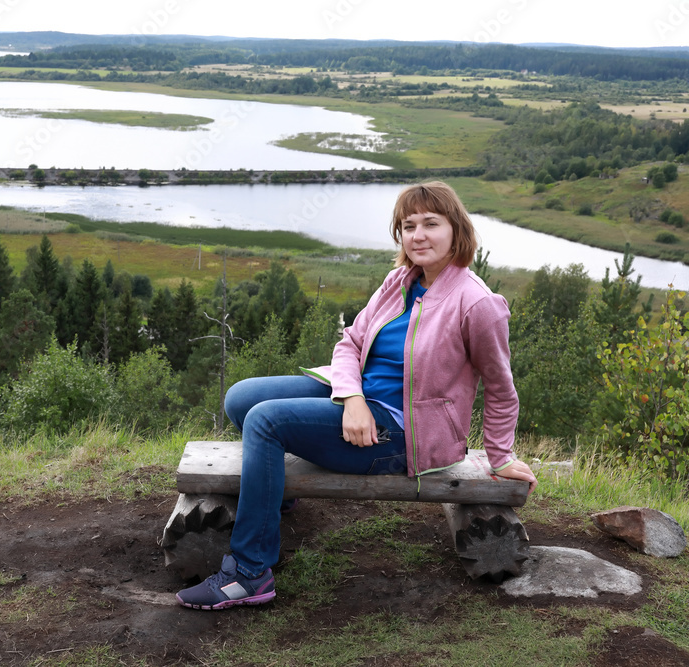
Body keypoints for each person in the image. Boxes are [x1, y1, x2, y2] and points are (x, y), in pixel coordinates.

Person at [176, 181, 537, 610]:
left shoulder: (478, 304)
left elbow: (500, 386)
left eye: (430, 224)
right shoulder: (400, 281)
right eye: (408, 225)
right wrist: (352, 399)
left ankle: (250, 573)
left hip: (404, 435)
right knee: (241, 398)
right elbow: (350, 342)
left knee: (265, 420)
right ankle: (277, 493)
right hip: (360, 404)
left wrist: (500, 456)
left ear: (457, 230)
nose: (417, 235)